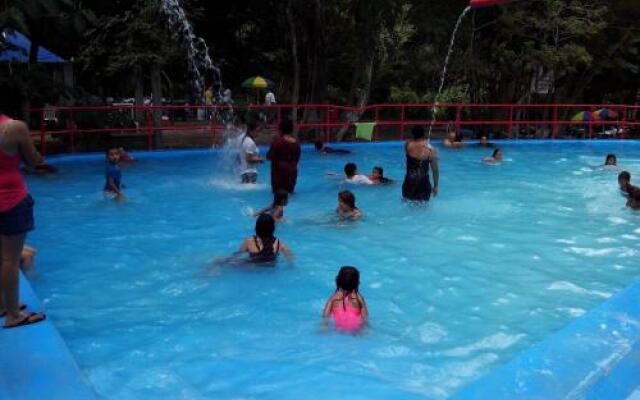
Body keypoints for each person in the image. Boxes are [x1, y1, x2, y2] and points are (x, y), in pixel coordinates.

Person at [0, 107, 46, 328]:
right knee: (10, 258)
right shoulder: (14, 128)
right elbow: (32, 162)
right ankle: (13, 316)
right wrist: (35, 155)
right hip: (10, 199)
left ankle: (3, 305)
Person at [217, 214, 293, 265]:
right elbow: (290, 258)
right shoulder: (279, 243)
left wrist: (224, 260)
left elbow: (237, 255)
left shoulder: (249, 241)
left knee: (217, 261)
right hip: (270, 268)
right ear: (272, 228)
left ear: (257, 227)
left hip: (253, 267)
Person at [322, 266, 368, 332]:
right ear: (357, 283)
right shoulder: (359, 299)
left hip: (338, 329)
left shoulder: (333, 298)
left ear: (338, 281)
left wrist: (324, 327)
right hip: (355, 331)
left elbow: (325, 317)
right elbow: (365, 318)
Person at [402, 126, 440, 202]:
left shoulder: (407, 145)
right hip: (423, 184)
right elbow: (435, 170)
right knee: (423, 208)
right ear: (423, 134)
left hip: (409, 182)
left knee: (407, 204)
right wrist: (436, 186)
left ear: (413, 135)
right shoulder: (431, 150)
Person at [267, 119, 301, 194]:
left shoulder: (278, 142)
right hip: (292, 172)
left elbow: (269, 156)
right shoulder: (296, 143)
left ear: (280, 129)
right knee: (289, 194)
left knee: (278, 198)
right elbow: (297, 158)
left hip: (279, 173)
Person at [238, 118, 264, 184]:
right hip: (250, 172)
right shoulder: (250, 142)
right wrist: (260, 159)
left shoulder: (244, 139)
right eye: (257, 131)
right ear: (251, 131)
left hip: (244, 171)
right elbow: (248, 158)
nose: (258, 133)